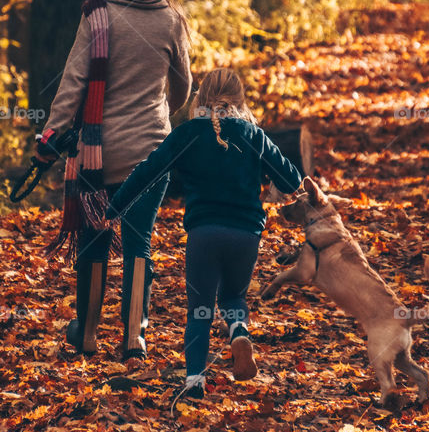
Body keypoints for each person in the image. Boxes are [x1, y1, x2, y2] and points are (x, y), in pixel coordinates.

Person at [36, 0, 192, 362]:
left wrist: (50, 134)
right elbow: (183, 86)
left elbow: (73, 82)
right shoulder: (170, 18)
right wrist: (160, 107)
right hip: (151, 153)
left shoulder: (97, 14)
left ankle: (86, 333)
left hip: (98, 155)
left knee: (94, 240)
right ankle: (134, 337)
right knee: (139, 240)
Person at [106, 69, 303, 399]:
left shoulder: (189, 134)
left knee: (200, 308)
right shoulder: (253, 135)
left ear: (201, 98)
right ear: (240, 100)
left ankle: (194, 381)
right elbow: (292, 181)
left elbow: (147, 172)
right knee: (233, 298)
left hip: (204, 234)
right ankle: (239, 330)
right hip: (246, 236)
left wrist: (113, 209)